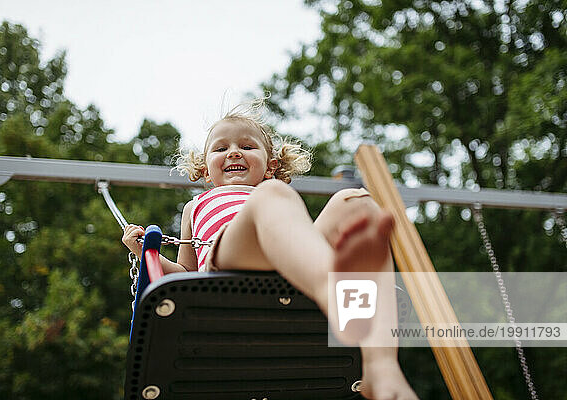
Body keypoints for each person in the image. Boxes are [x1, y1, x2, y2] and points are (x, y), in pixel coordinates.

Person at [122, 98, 417, 399]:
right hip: (230, 260)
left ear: (270, 165)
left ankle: (381, 364)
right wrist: (147, 254)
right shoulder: (195, 206)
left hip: (290, 261)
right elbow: (185, 272)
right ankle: (336, 293)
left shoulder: (273, 195)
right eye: (221, 148)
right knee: (273, 195)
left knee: (356, 201)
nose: (234, 151)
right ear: (206, 170)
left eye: (247, 147)